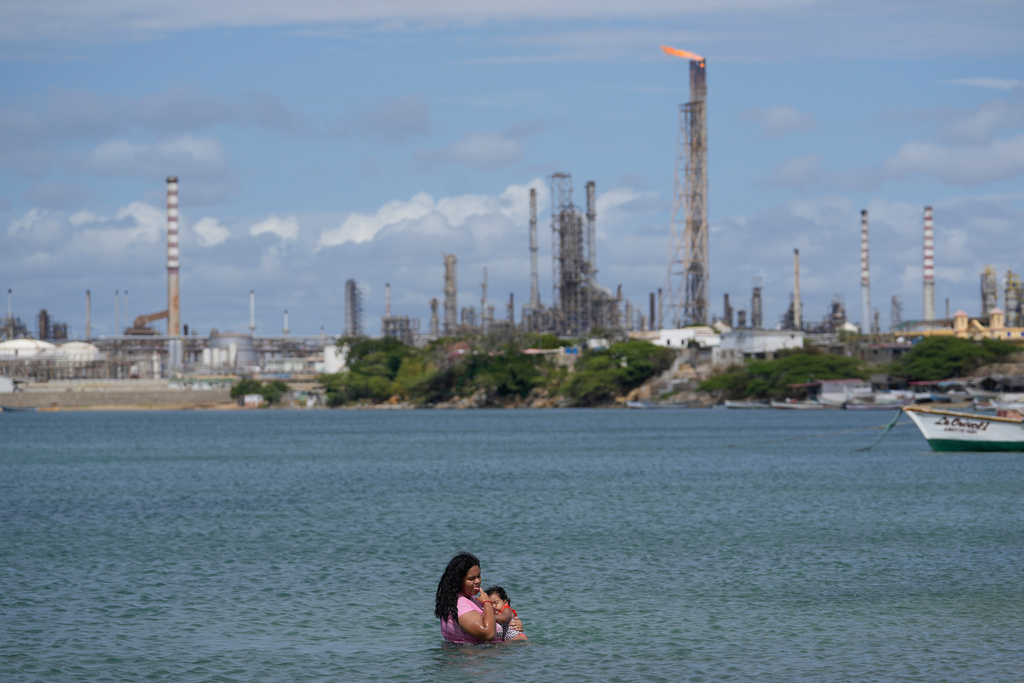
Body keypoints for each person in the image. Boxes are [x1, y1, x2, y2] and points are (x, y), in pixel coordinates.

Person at [434, 552, 521, 644]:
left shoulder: (472, 600)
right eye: (472, 578)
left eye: (479, 576)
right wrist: (487, 602)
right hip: (470, 656)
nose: (478, 581)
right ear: (458, 581)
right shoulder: (461, 606)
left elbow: (495, 618)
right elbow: (489, 635)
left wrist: (514, 627)